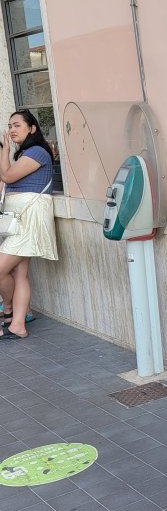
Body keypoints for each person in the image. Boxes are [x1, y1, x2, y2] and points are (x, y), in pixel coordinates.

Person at [0, 109, 57, 340]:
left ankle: (11, 310)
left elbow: (7, 177)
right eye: (10, 126)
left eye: (17, 125)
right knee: (19, 273)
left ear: (32, 128)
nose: (11, 130)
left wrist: (4, 151)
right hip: (20, 219)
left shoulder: (38, 152)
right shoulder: (27, 153)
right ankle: (18, 324)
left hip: (29, 220)